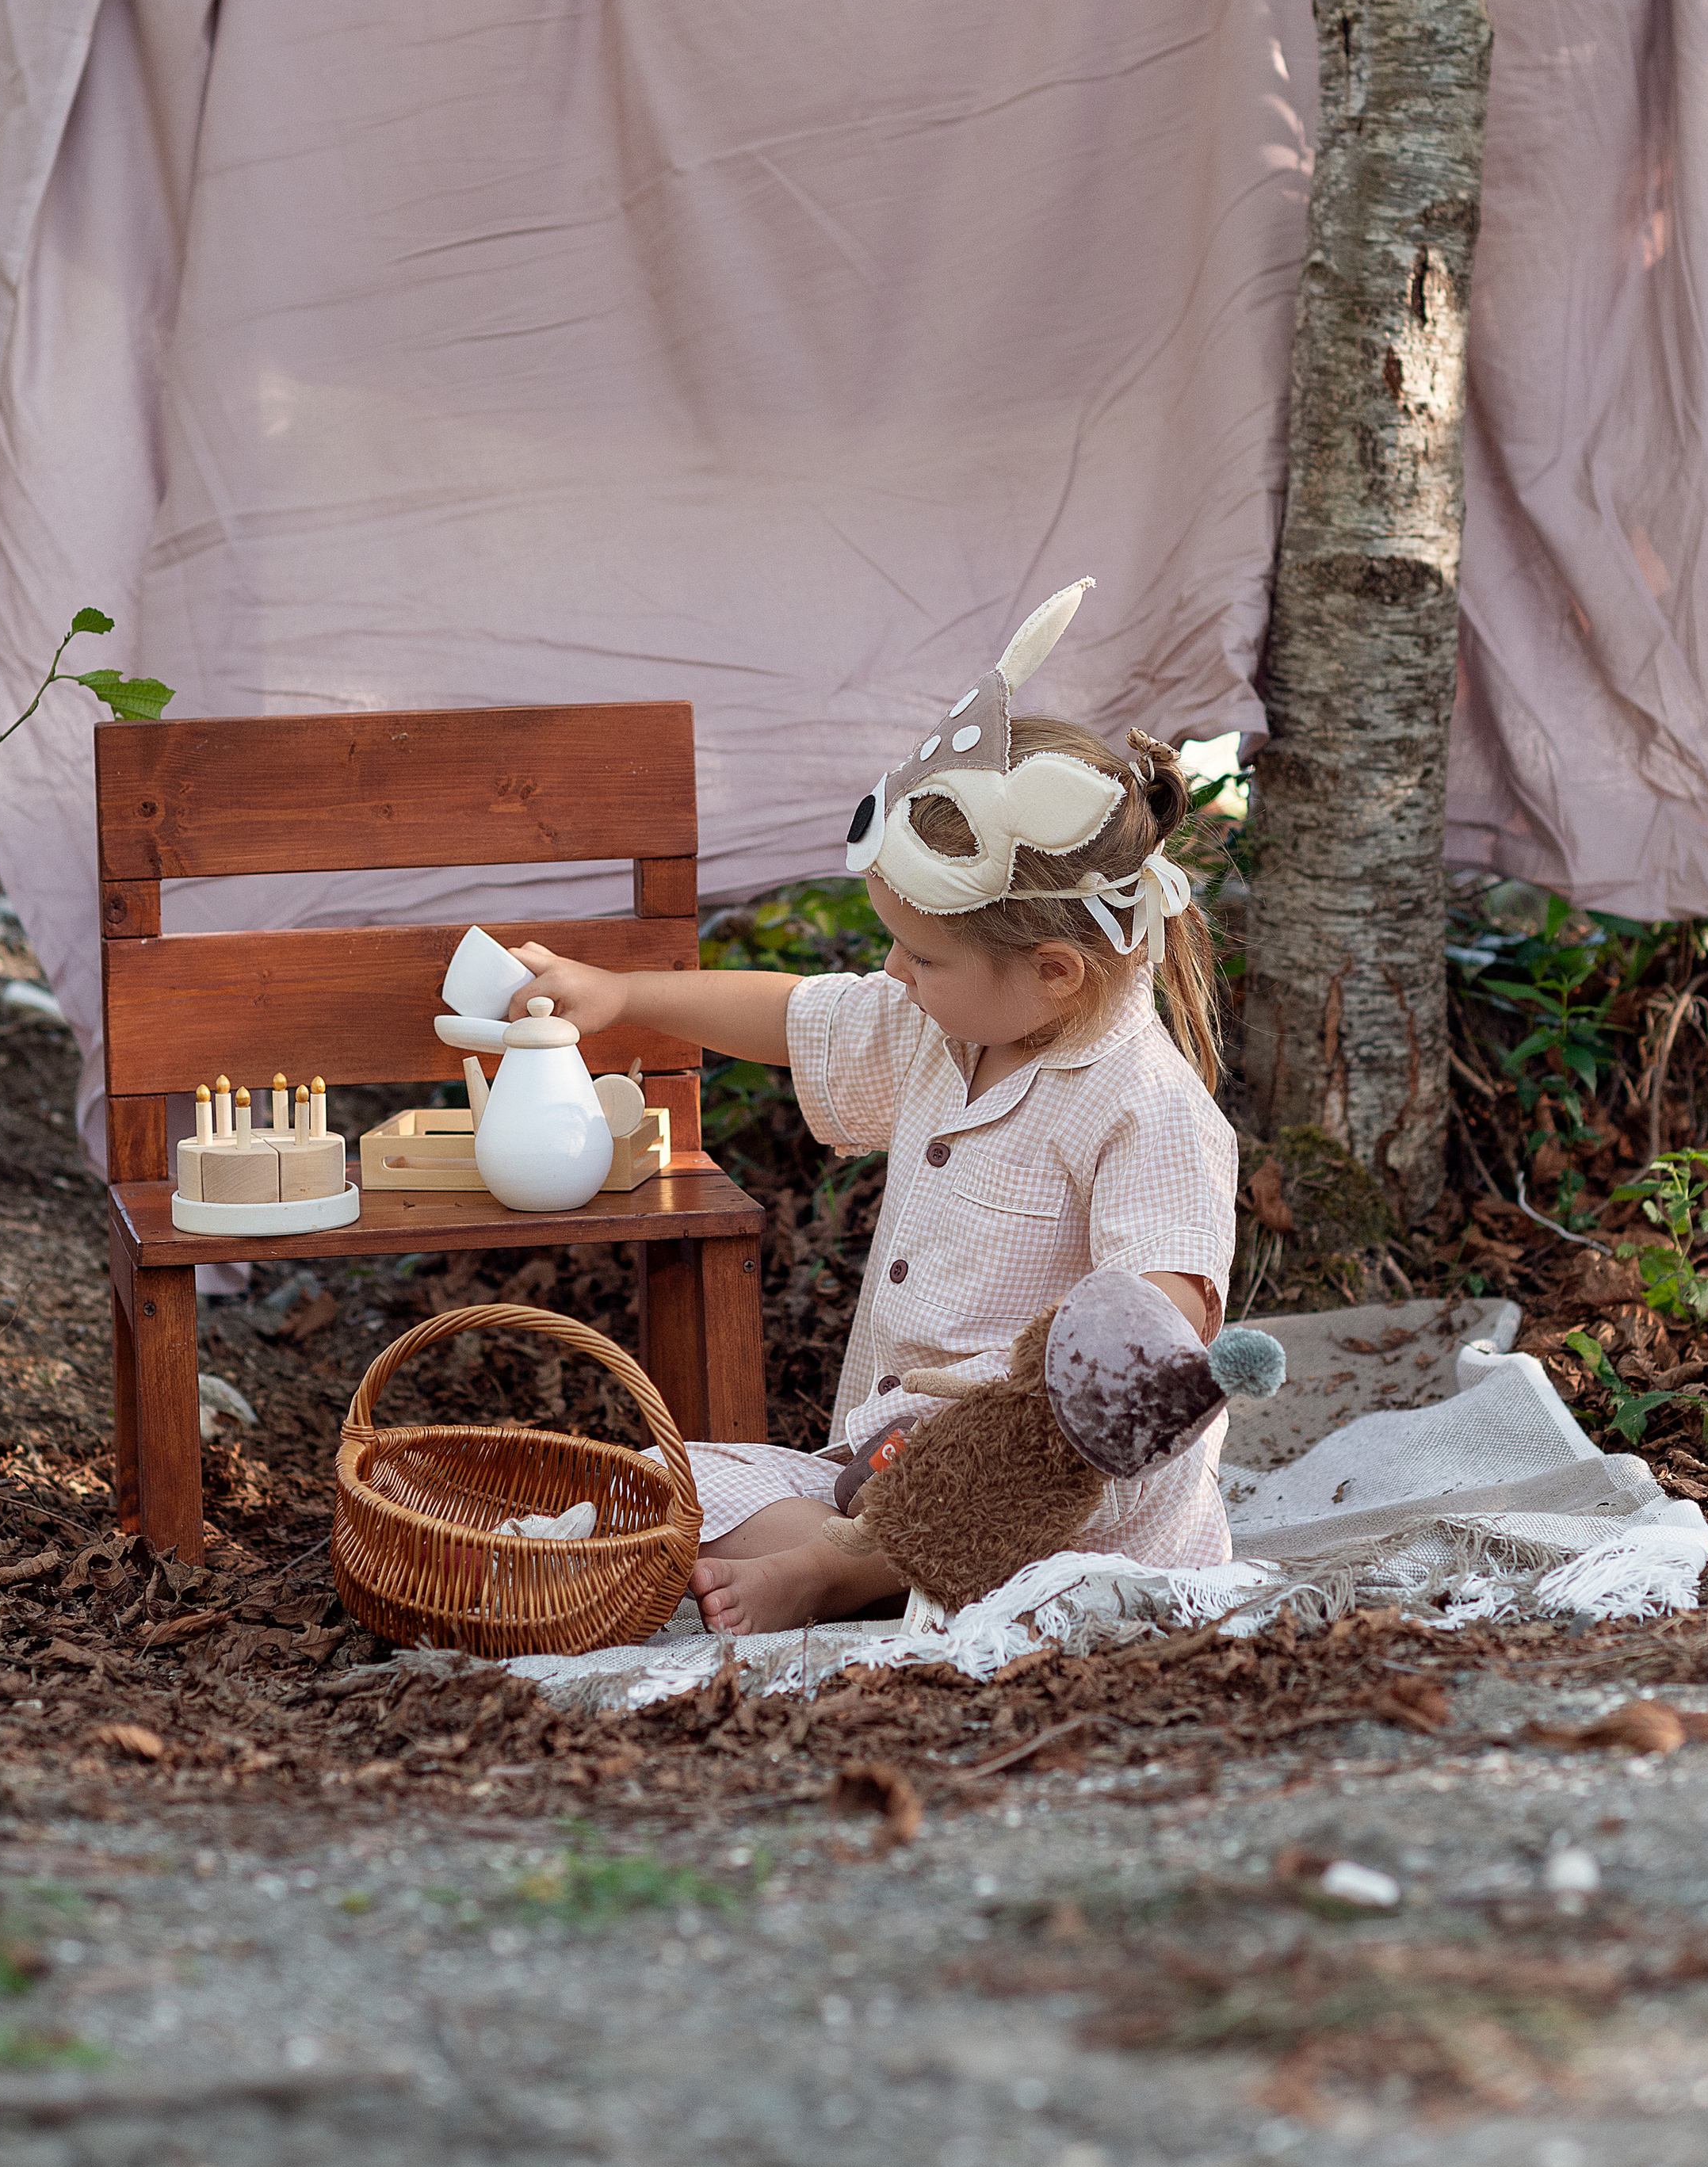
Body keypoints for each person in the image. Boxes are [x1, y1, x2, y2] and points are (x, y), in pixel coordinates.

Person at [504, 579, 1237, 1635]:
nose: (892, 969)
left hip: (1056, 1482)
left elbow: (1154, 1346)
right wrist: (621, 998)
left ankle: (842, 1575)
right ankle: (867, 1556)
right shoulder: (941, 1026)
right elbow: (798, 1014)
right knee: (653, 1483)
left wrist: (992, 1408)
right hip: (883, 1469)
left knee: (1000, 1477)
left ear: (1056, 973)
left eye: (923, 953)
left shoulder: (1143, 1107)